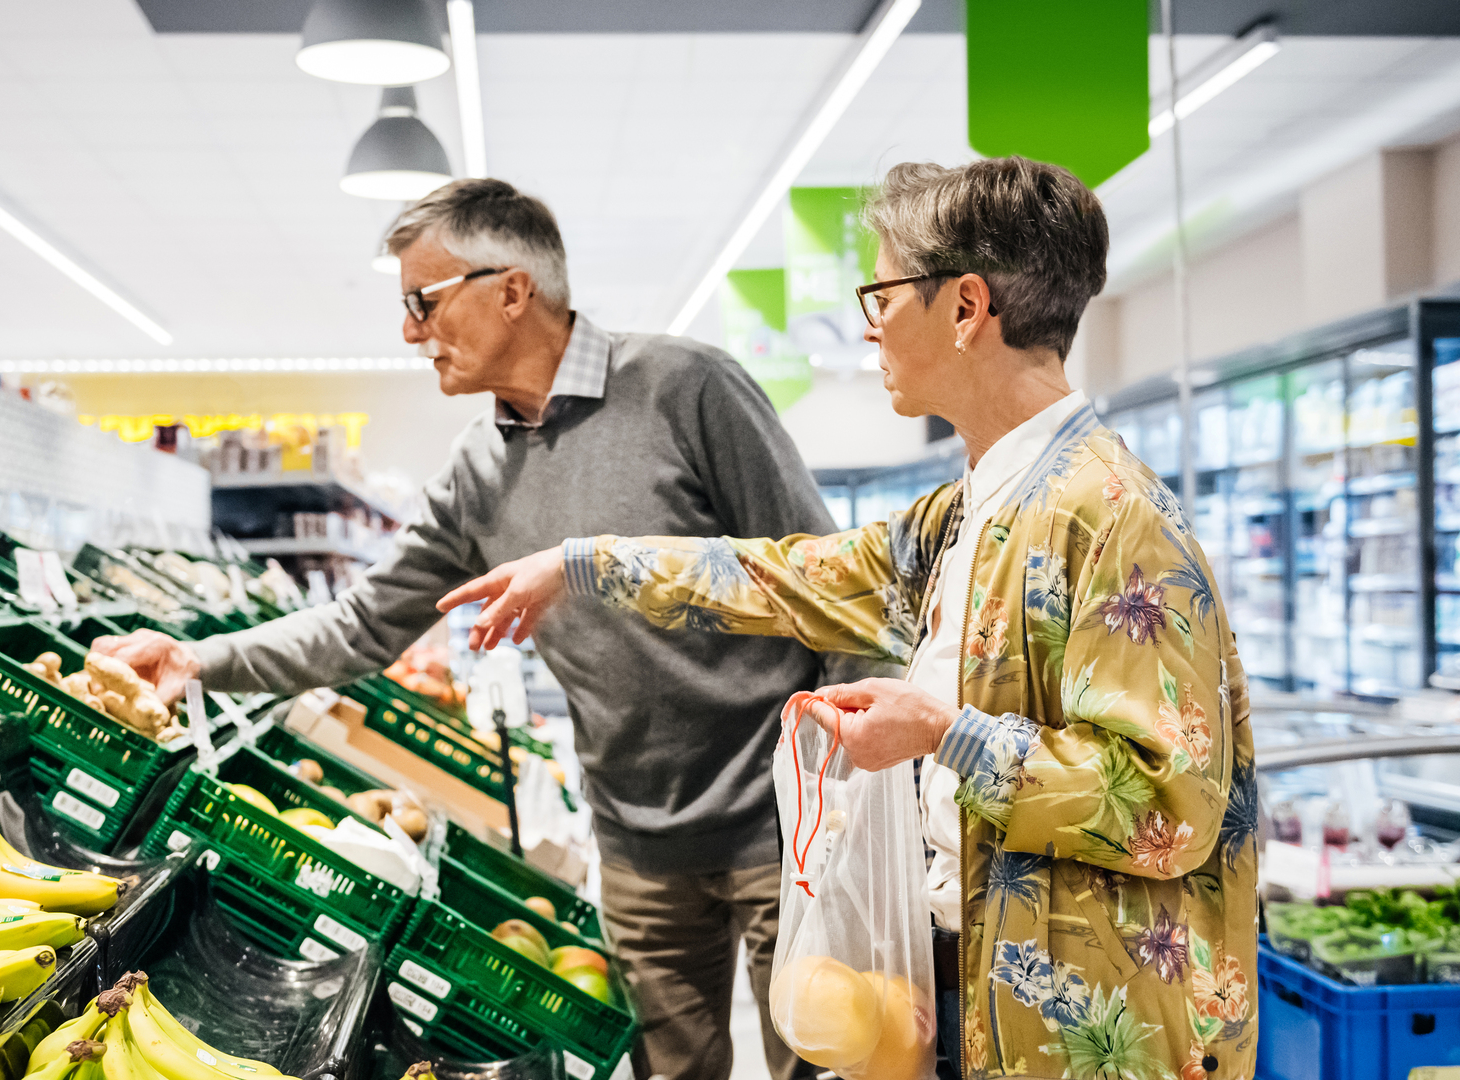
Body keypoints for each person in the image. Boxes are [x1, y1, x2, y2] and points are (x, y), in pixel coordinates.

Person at [438, 158, 1258, 1080]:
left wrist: (944, 736)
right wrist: (583, 564)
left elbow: (1166, 805)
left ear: (965, 307)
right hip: (984, 990)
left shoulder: (1110, 514)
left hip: (1088, 1038)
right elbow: (795, 574)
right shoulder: (968, 513)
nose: (871, 327)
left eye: (883, 292)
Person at [98, 177, 881, 1080]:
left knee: (829, 1062)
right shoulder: (477, 470)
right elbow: (361, 627)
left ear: (512, 289)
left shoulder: (685, 388)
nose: (409, 332)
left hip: (784, 815)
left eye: (422, 302)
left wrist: (846, 788)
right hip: (636, 845)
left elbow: (832, 577)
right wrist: (196, 658)